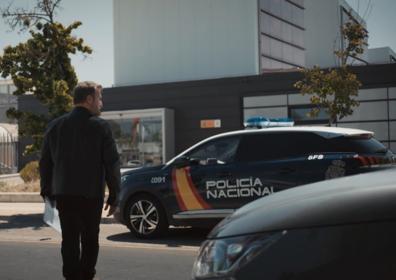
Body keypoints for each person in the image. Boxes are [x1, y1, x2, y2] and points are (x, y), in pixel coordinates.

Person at [39, 81, 120, 280]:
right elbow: (112, 163)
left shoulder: (55, 126)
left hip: (64, 195)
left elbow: (45, 163)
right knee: (90, 239)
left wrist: (47, 192)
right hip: (91, 195)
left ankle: (71, 277)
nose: (101, 103)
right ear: (89, 99)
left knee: (69, 241)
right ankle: (86, 275)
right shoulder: (101, 127)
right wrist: (114, 194)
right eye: (99, 98)